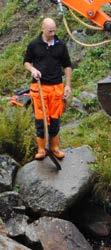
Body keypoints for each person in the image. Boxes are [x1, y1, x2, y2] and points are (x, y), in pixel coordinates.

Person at [24, 17, 72, 160]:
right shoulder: (34, 45)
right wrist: (32, 69)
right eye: (50, 31)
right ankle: (41, 149)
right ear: (42, 29)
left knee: (55, 119)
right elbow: (26, 62)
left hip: (56, 87)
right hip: (39, 88)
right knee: (40, 119)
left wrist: (68, 85)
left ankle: (54, 147)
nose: (52, 33)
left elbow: (67, 66)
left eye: (54, 30)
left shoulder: (61, 45)